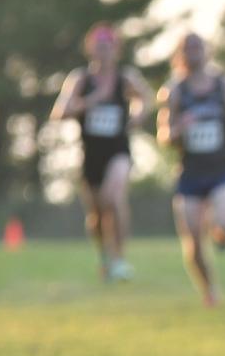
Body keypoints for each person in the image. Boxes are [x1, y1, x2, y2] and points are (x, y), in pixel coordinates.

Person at [156, 33, 225, 307]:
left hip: (221, 169)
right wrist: (180, 127)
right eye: (187, 48)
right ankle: (209, 291)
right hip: (189, 173)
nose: (193, 53)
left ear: (207, 51)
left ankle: (220, 233)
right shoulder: (174, 91)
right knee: (192, 240)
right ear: (179, 55)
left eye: (197, 47)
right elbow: (163, 135)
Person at [49, 24, 154, 281]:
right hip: (90, 154)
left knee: (113, 197)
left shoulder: (125, 78)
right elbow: (59, 113)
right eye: (99, 47)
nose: (104, 52)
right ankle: (105, 257)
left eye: (108, 47)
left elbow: (147, 98)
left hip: (118, 150)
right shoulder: (80, 79)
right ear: (90, 49)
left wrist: (138, 115)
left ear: (116, 50)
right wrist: (92, 101)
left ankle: (119, 257)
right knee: (96, 215)